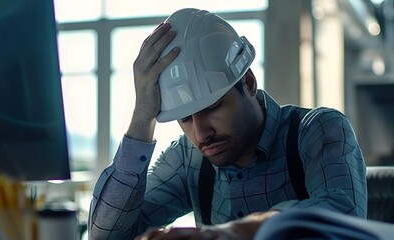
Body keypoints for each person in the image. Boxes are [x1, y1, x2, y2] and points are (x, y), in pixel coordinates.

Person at [88, 8, 367, 240]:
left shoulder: (318, 130)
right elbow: (107, 236)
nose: (201, 133)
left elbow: (343, 219)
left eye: (212, 108)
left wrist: (229, 233)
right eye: (185, 118)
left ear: (247, 83)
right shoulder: (188, 158)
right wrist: (142, 116)